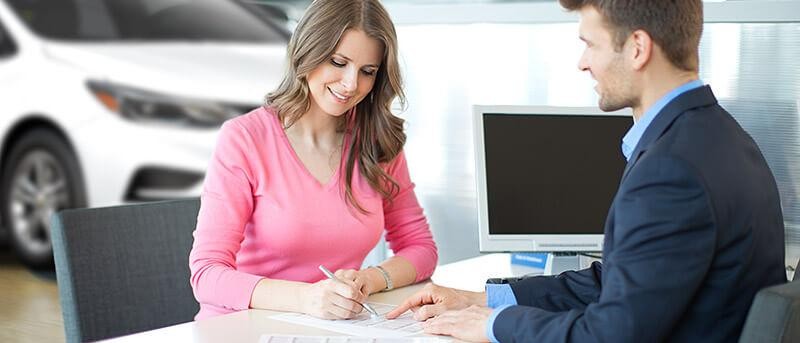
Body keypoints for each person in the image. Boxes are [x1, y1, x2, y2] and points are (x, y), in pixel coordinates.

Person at [386, 0, 786, 341]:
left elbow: (611, 334)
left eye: (590, 44)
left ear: (637, 48)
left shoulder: (671, 170)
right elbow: (618, 280)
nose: (582, 63)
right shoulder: (722, 137)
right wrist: (486, 299)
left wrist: (496, 325)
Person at [189, 0, 438, 321]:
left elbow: (421, 248)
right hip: (241, 326)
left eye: (367, 71)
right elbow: (207, 276)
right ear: (307, 52)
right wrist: (307, 298)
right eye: (338, 62)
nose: (351, 84)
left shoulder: (378, 142)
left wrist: (368, 279)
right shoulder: (245, 138)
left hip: (335, 326)